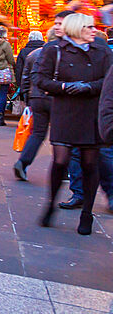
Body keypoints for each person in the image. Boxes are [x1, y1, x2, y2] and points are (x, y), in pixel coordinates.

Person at [32, 12, 113, 235]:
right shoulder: (54, 50)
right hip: (65, 111)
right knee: (60, 160)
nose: (94, 30)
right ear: (77, 28)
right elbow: (40, 79)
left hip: (91, 111)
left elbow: (109, 80)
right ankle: (50, 204)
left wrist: (89, 87)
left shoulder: (102, 51)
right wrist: (66, 87)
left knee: (90, 163)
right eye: (89, 27)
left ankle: (86, 213)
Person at [14, 27, 59, 181]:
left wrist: (27, 98)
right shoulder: (61, 53)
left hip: (36, 97)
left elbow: (25, 77)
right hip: (54, 96)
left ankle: (23, 162)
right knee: (60, 135)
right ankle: (62, 168)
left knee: (38, 133)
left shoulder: (33, 54)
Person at [15, 30, 46, 96]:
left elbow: (19, 68)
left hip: (28, 83)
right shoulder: (45, 50)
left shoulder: (23, 51)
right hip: (42, 83)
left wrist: (20, 84)